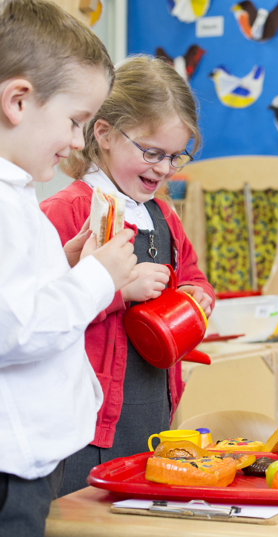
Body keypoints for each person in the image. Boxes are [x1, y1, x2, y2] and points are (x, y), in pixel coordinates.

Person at [40, 55, 214, 496]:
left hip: (151, 411)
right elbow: (42, 315)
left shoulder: (162, 215)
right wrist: (118, 292)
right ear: (103, 134)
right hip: (87, 428)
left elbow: (193, 274)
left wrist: (197, 294)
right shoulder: (69, 211)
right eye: (151, 153)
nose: (164, 169)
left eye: (176, 156)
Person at [0, 1, 137, 534]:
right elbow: (15, 326)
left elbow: (17, 292)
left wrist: (66, 264)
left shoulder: (19, 195)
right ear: (18, 101)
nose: (78, 142)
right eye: (75, 121)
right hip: (12, 469)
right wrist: (96, 279)